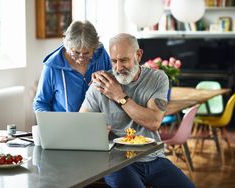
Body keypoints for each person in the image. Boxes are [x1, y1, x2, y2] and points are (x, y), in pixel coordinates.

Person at [80, 33, 195, 188]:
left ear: (138, 55)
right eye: (114, 61)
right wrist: (95, 131)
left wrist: (119, 96)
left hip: (154, 158)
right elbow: (81, 125)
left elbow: (153, 122)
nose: (119, 68)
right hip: (117, 164)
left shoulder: (157, 79)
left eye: (124, 60)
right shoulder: (100, 84)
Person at [33, 20, 112, 112]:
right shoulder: (52, 66)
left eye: (87, 53)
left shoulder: (101, 55)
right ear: (67, 46)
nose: (81, 58)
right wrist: (50, 123)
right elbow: (40, 103)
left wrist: (106, 79)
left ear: (94, 48)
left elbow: (115, 84)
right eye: (76, 52)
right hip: (64, 124)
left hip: (100, 122)